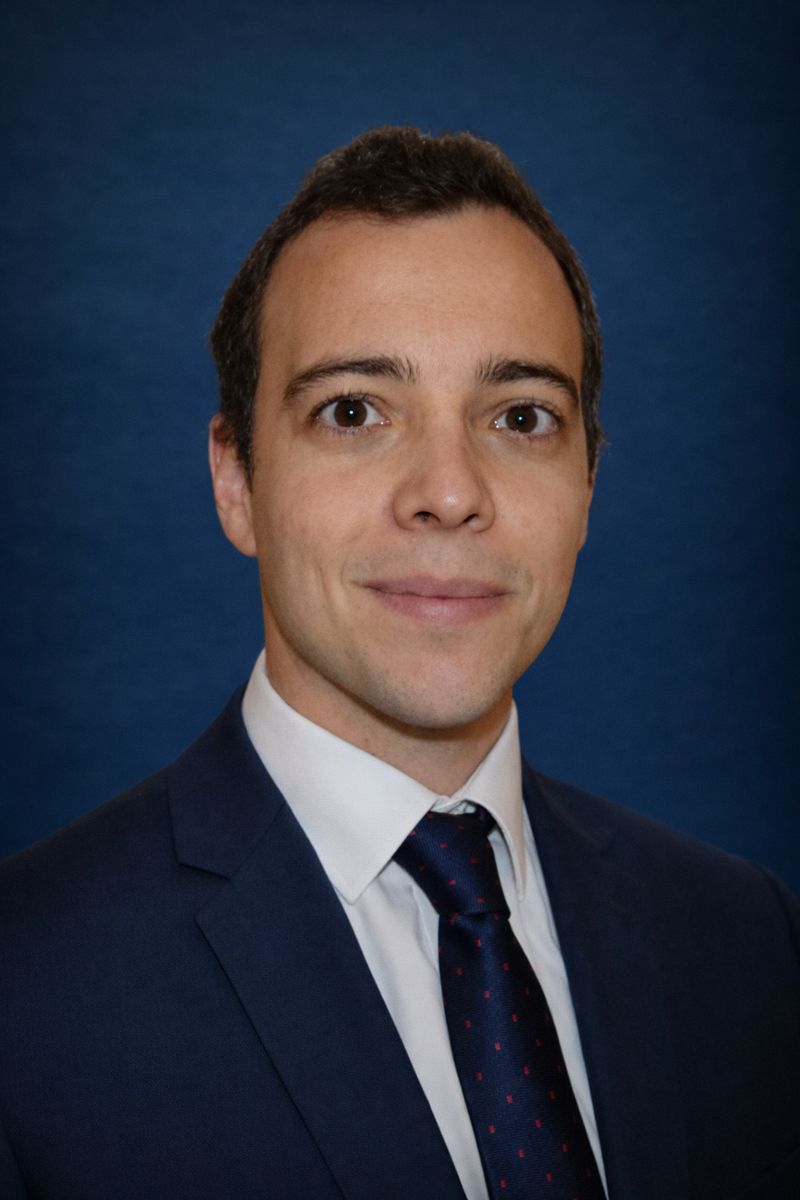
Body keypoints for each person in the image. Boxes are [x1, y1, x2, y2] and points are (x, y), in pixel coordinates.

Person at [0, 127, 797, 1200]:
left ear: (587, 486)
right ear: (236, 483)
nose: (449, 491)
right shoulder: (25, 984)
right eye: (354, 411)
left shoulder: (747, 939)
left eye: (520, 417)